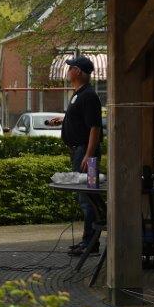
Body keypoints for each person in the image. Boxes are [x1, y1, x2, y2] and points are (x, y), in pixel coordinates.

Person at [61, 55, 102, 255]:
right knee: (85, 195)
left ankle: (90, 243)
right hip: (80, 152)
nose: (68, 71)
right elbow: (81, 120)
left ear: (77, 71)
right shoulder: (79, 94)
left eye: (70, 68)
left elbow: (95, 127)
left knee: (88, 197)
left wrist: (88, 155)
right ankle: (88, 240)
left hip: (86, 155)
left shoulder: (89, 96)